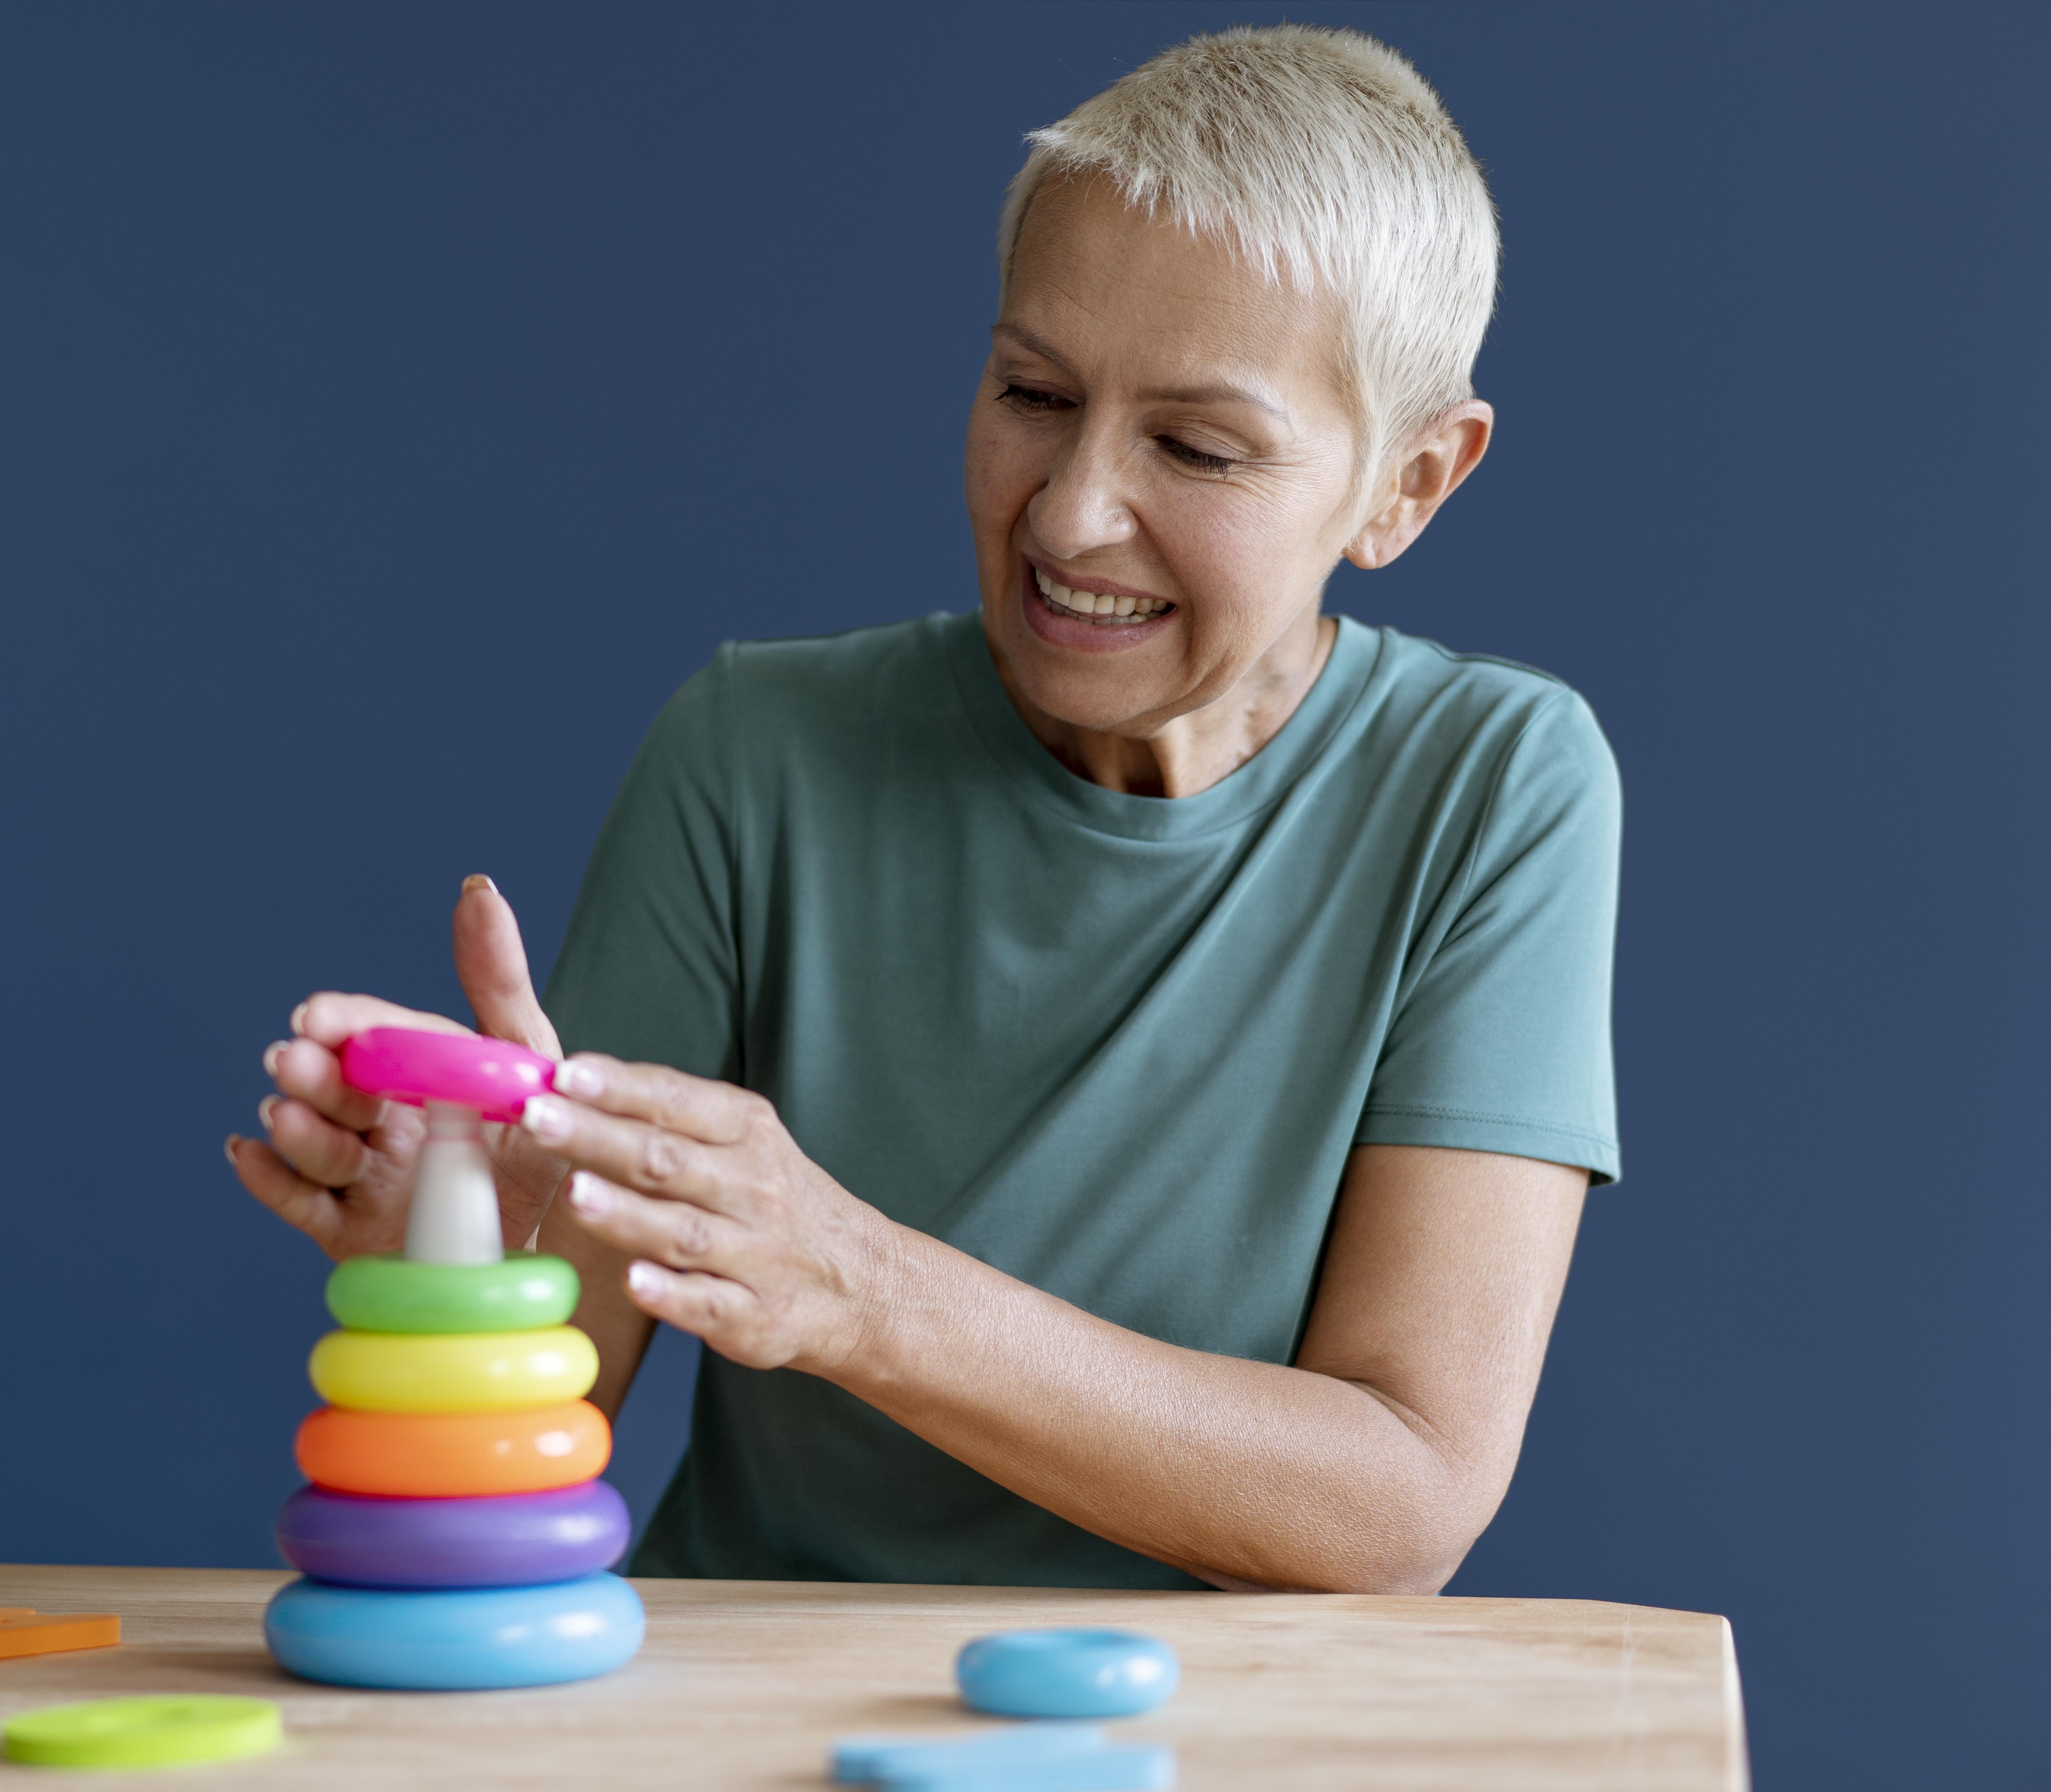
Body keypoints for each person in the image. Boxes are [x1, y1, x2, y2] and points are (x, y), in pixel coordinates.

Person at [226, 23, 1618, 1597]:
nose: (1074, 508)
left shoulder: (1491, 784)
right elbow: (553, 1411)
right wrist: (463, 1245)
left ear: (1408, 488)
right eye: (1033, 390)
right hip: (751, 1714)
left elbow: (1398, 1502)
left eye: (1196, 445)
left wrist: (859, 1290)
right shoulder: (752, 750)